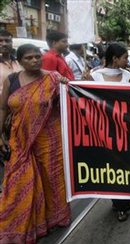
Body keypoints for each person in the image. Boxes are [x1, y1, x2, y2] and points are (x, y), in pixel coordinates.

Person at [0, 44, 71, 243]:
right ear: (20, 61)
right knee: (17, 182)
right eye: (29, 58)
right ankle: (18, 225)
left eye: (37, 57)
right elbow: (3, 109)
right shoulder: (12, 80)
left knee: (51, 179)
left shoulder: (53, 78)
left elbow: (71, 101)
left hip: (50, 140)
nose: (34, 61)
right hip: (19, 140)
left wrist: (67, 85)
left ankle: (52, 218)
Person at [91, 43, 130, 221]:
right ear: (115, 59)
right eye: (125, 57)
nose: (127, 61)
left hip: (126, 130)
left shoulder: (129, 76)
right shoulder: (94, 76)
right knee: (110, 167)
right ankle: (117, 202)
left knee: (125, 166)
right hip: (102, 131)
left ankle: (125, 203)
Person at [0, 30, 22, 96]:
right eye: (0, 41)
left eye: (7, 41)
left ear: (12, 43)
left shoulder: (19, 62)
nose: (4, 44)